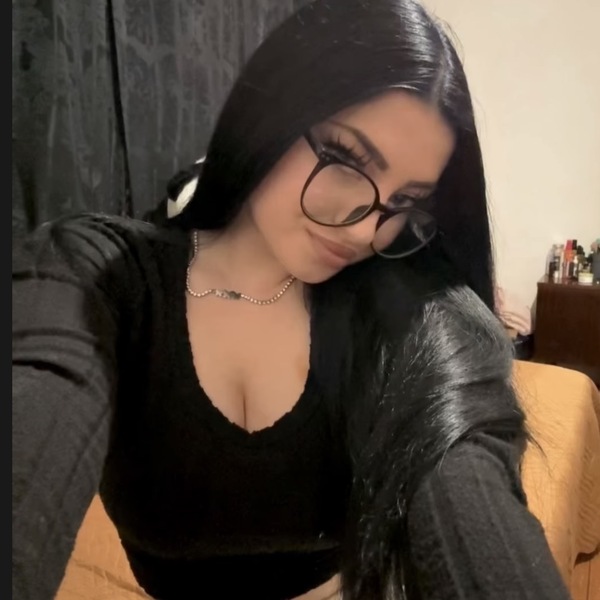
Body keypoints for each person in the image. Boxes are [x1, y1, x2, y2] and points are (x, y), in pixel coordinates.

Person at [12, 1, 572, 599]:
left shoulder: (407, 311)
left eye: (405, 202)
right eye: (344, 160)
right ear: (270, 112)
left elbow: (467, 472)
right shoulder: (101, 272)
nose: (366, 230)